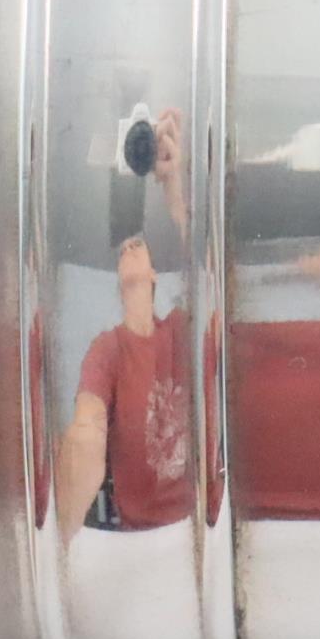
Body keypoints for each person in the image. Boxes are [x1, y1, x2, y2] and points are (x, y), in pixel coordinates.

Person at [57, 108, 193, 540]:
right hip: (141, 540)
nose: (131, 247)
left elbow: (208, 270)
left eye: (140, 246)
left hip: (195, 528)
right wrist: (62, 537)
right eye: (123, 251)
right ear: (119, 281)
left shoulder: (182, 331)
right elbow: (88, 427)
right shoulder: (108, 350)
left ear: (154, 275)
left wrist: (173, 187)